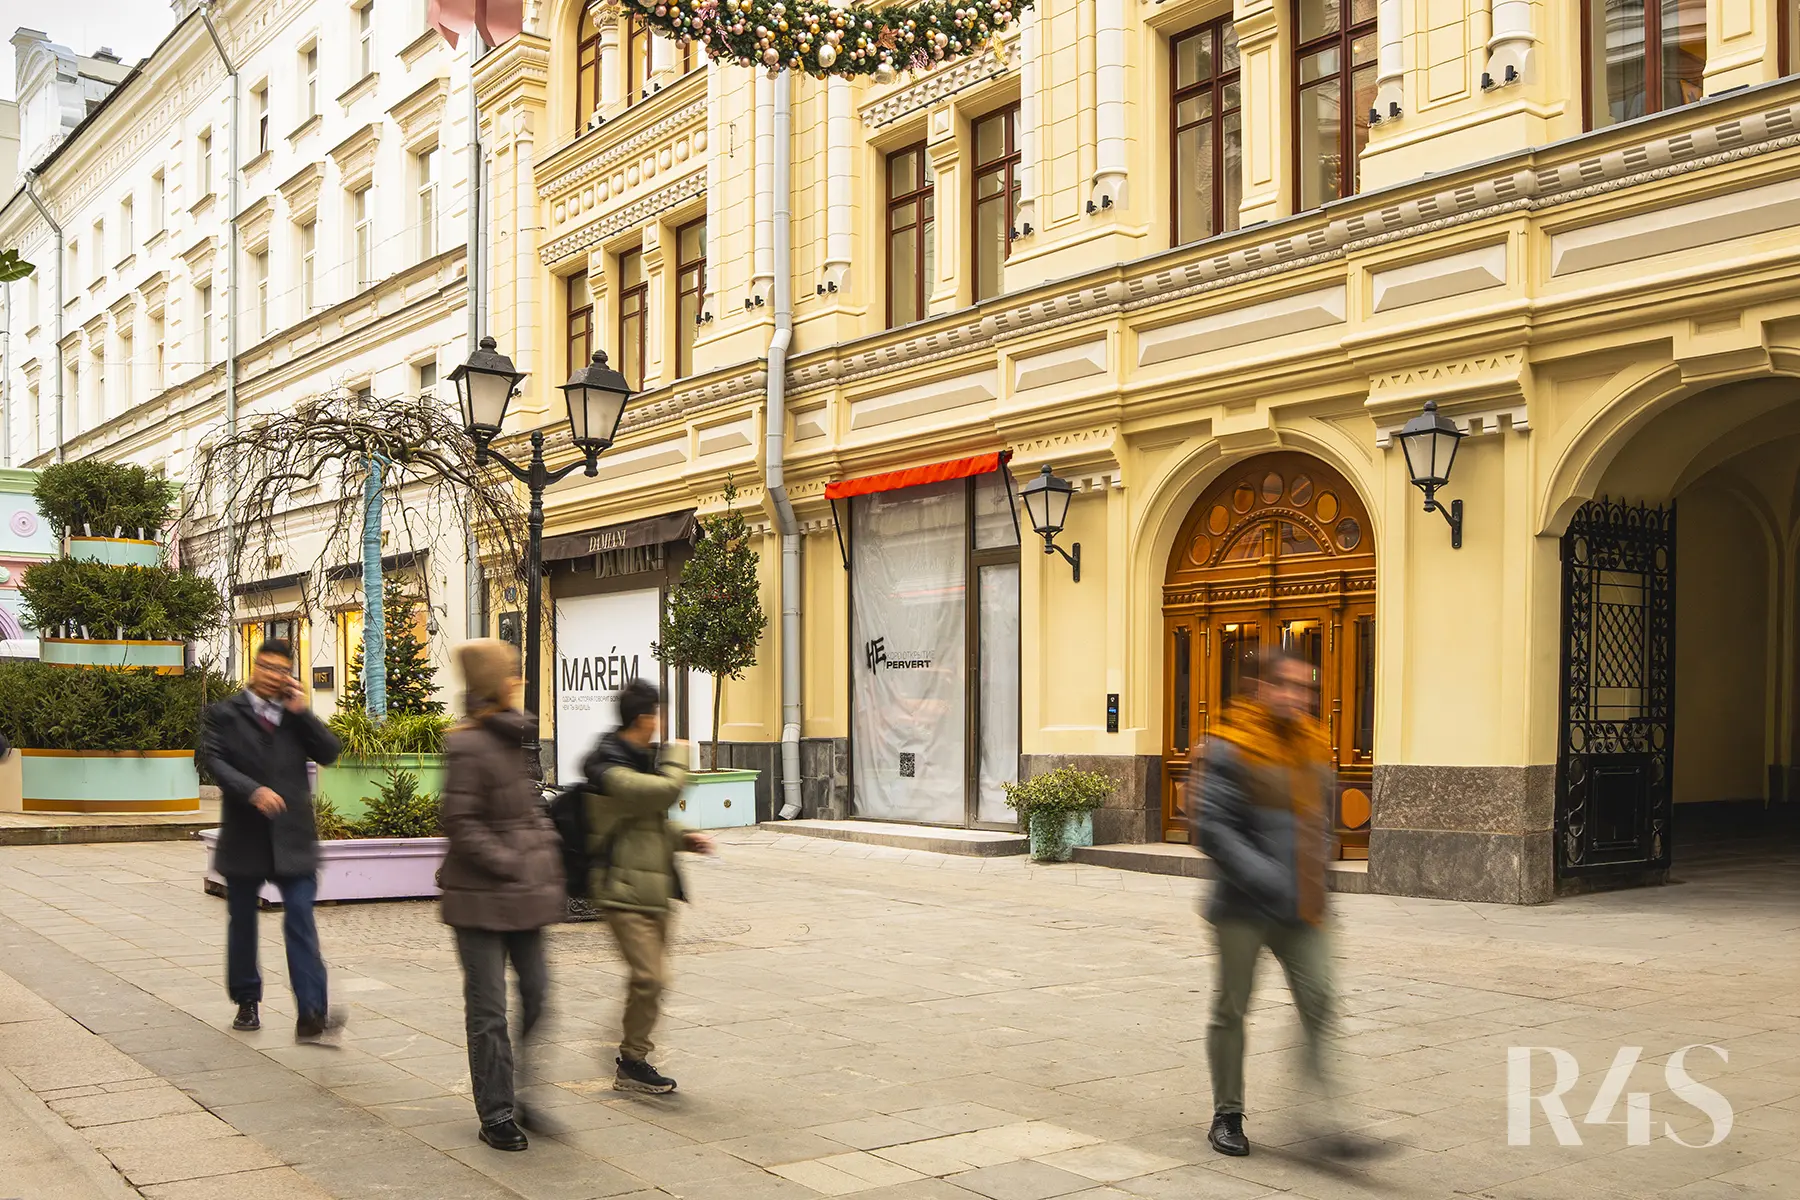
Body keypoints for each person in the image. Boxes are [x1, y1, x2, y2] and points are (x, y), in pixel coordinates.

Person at [1190, 649, 1337, 1159]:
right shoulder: (1229, 746)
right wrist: (1270, 877)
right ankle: (1227, 1114)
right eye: (1288, 686)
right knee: (1232, 1007)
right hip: (1241, 906)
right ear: (1263, 688)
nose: (1299, 697)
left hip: (1302, 906)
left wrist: (1318, 873)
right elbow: (1212, 828)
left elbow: (1318, 819)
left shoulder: (1314, 745)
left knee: (1320, 999)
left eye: (1306, 688)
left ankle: (1321, 1112)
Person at [438, 640, 566, 1153]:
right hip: (477, 898)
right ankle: (496, 1111)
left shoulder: (513, 738)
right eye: (511, 672)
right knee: (488, 1010)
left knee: (537, 994)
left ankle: (520, 1092)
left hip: (522, 895)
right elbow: (460, 821)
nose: (520, 680)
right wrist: (510, 861)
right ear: (493, 682)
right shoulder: (467, 745)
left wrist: (545, 846)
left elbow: (529, 810)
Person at [202, 639, 345, 1041]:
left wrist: (304, 713)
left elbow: (330, 752)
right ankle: (247, 1000)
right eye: (266, 667)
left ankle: (312, 1012)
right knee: (243, 923)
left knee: (300, 919)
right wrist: (252, 791)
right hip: (245, 835)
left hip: (293, 837)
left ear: (289, 675)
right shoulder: (225, 713)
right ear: (254, 666)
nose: (272, 676)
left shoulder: (294, 715)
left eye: (281, 670)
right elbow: (214, 762)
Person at [582, 679, 715, 1094]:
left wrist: (684, 838)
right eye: (656, 714)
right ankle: (632, 1060)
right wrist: (677, 757)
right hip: (620, 890)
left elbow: (646, 823)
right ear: (643, 718)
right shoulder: (608, 767)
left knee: (650, 981)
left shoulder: (637, 760)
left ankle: (632, 1055)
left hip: (653, 889)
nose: (659, 722)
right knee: (650, 977)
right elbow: (662, 793)